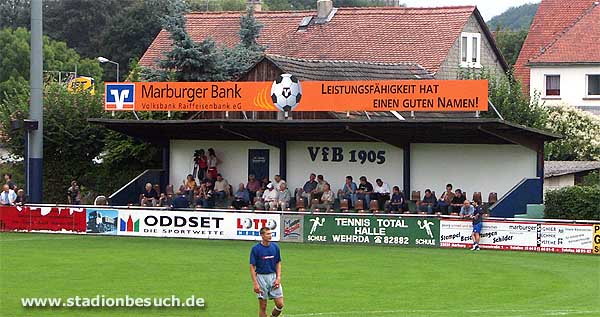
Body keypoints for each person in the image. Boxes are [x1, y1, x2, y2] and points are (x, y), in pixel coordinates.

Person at [250, 227, 284, 317]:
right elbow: (252, 267)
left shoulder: (275, 247)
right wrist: (255, 283)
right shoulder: (255, 249)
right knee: (263, 306)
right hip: (261, 278)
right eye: (267, 234)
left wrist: (278, 277)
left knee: (280, 304)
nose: (270, 236)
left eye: (270, 233)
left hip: (273, 277)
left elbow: (278, 262)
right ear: (262, 235)